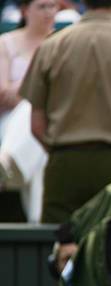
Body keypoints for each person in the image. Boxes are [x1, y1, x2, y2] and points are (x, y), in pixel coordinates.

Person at [19, 0, 111, 223]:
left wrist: (61, 152)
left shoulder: (52, 46)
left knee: (61, 246)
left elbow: (37, 125)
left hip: (65, 163)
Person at [0, 0, 57, 222]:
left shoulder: (62, 42)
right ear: (25, 10)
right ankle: (41, 226)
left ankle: (7, 163)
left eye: (53, 6)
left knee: (36, 109)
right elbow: (3, 94)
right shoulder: (6, 43)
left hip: (48, 123)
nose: (49, 12)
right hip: (8, 123)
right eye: (42, 6)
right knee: (32, 104)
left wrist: (23, 88)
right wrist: (39, 85)